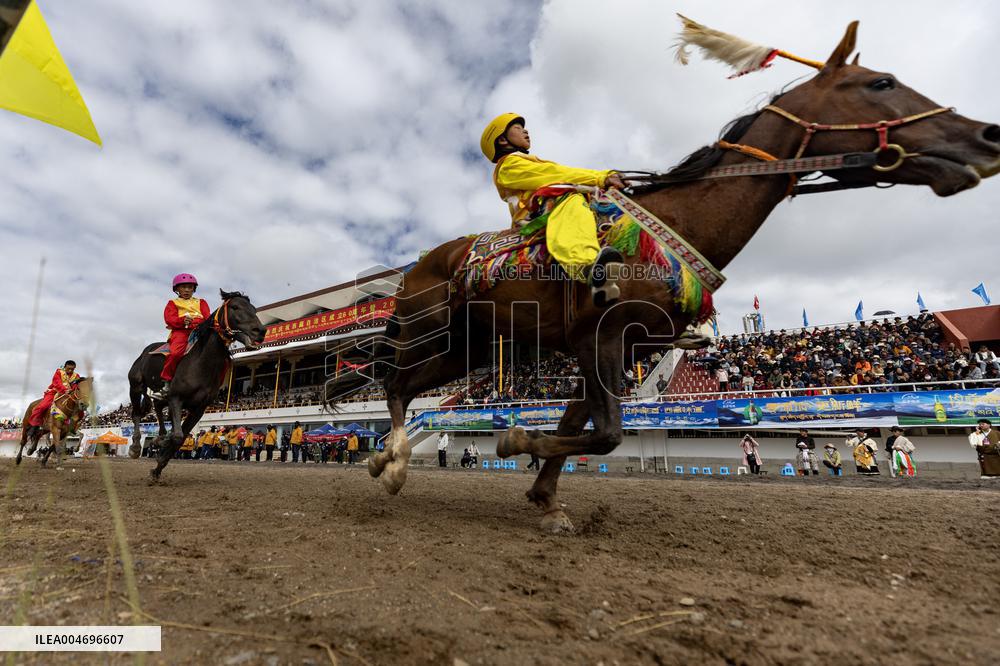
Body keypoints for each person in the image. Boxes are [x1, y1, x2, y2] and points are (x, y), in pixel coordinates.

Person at [481, 113, 626, 306]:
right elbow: (556, 176)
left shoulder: (528, 160)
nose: (525, 130)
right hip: (536, 217)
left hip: (549, 208)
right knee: (569, 196)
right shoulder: (508, 166)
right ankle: (587, 265)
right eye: (517, 128)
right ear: (502, 140)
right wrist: (601, 178)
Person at [149, 274, 211, 400]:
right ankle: (166, 384)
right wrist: (183, 321)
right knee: (175, 353)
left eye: (190, 287)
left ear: (194, 289)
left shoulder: (201, 302)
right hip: (181, 332)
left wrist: (197, 322)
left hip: (200, 330)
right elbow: (169, 319)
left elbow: (207, 318)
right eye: (183, 287)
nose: (187, 290)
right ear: (177, 289)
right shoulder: (173, 303)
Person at [26, 360, 82, 437]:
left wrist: (73, 390)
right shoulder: (59, 372)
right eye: (68, 368)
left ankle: (72, 428)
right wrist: (64, 390)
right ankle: (34, 426)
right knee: (42, 406)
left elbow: (76, 386)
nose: (70, 371)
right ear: (65, 367)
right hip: (55, 392)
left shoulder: (76, 376)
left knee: (80, 410)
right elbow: (56, 382)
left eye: (72, 369)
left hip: (69, 394)